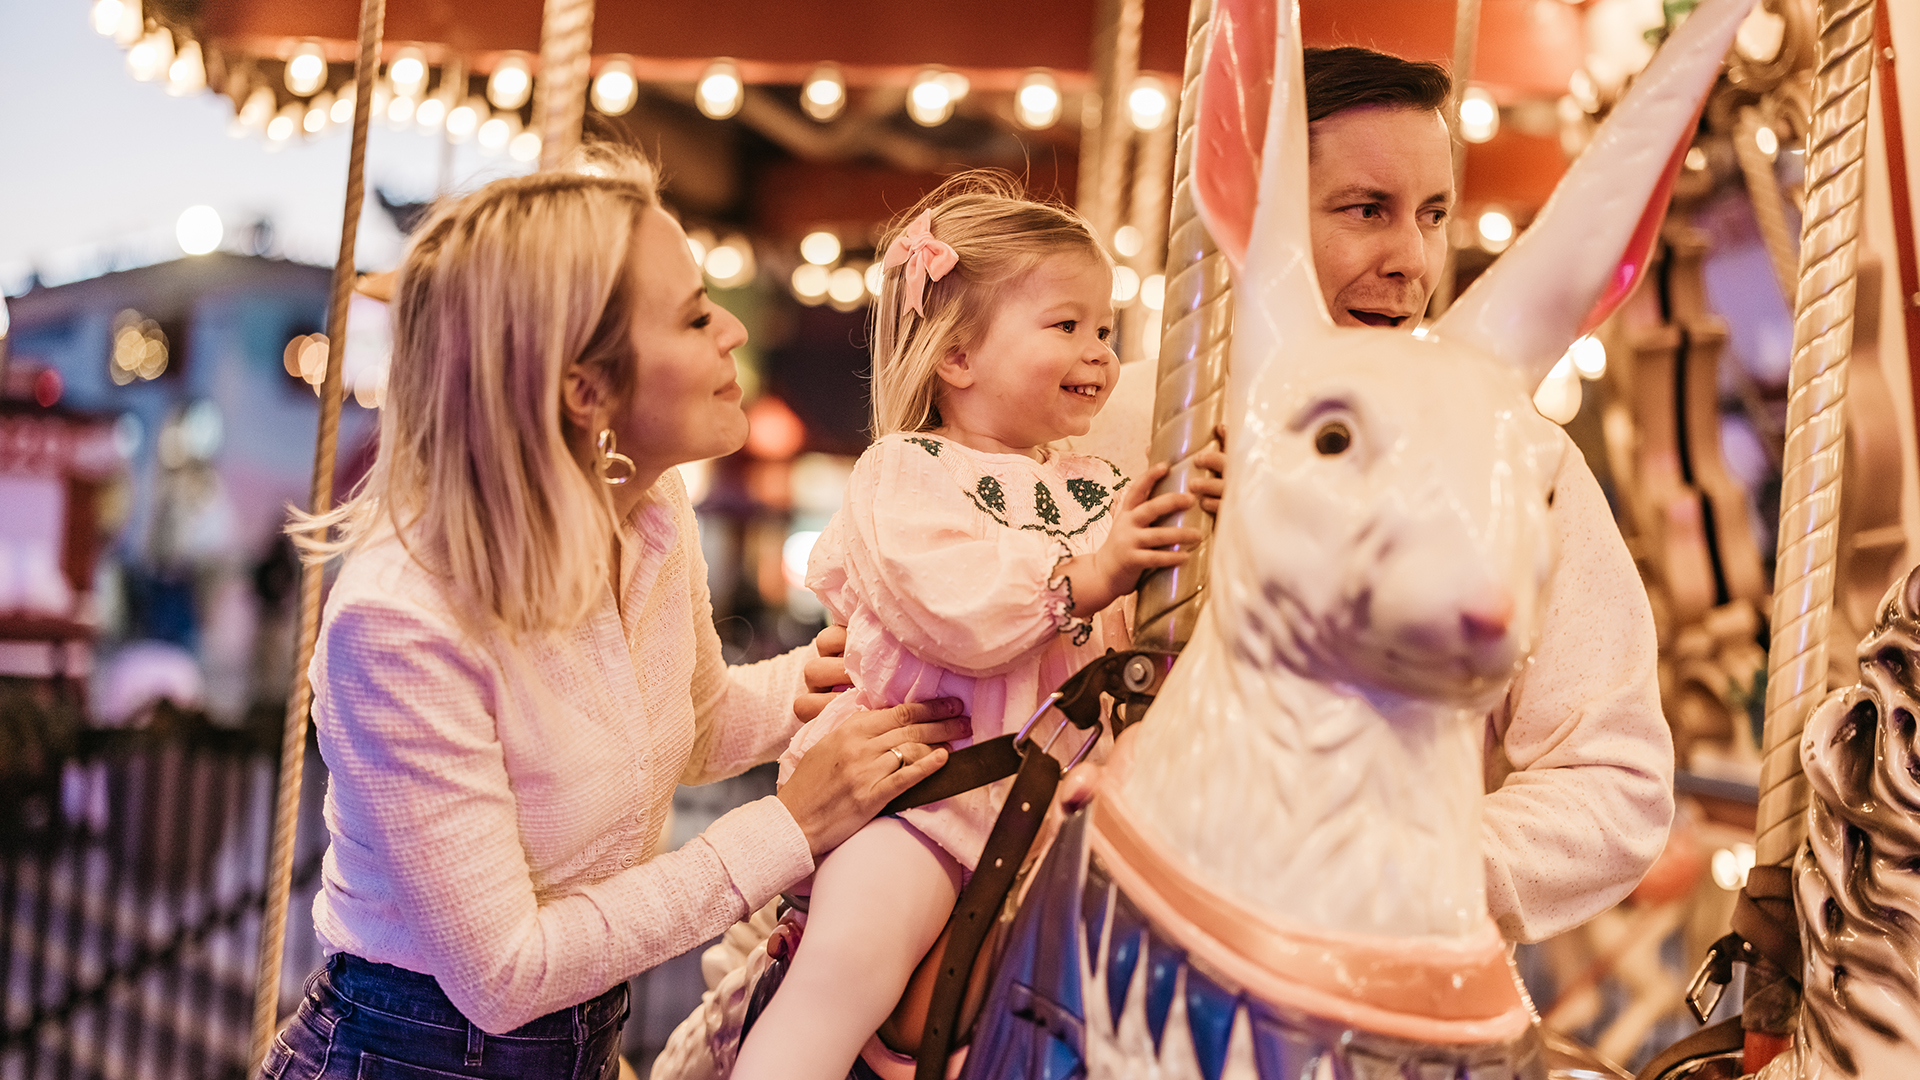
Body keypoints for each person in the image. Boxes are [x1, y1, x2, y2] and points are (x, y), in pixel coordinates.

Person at [259, 151, 971, 1080]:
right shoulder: (401, 623)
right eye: (690, 315)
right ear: (584, 390)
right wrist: (790, 826)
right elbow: (506, 974)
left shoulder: (648, 511)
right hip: (411, 1056)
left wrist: (837, 678)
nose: (728, 333)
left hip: (579, 1044)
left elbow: (692, 722)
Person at [729, 176, 1211, 1080]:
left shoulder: (1093, 481)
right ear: (956, 357)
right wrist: (1096, 571)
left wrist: (1186, 519)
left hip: (1060, 821)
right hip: (925, 807)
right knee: (847, 971)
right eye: (1066, 326)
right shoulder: (905, 472)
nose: (1099, 352)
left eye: (1105, 329)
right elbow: (955, 614)